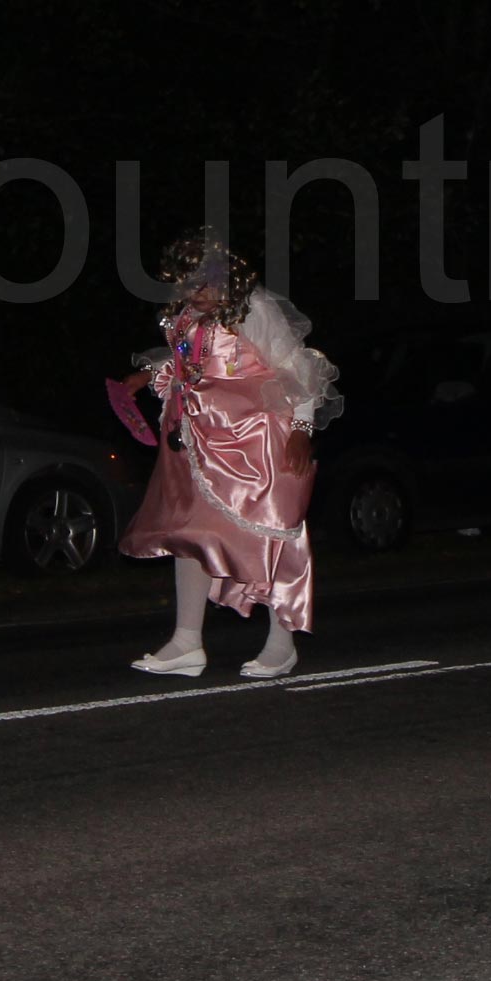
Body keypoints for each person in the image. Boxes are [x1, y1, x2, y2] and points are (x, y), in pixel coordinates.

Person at [116, 228, 339, 680]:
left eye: (205, 283)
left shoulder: (252, 309)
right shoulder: (186, 315)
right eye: (187, 284)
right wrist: (149, 376)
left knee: (270, 534)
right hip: (197, 441)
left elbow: (299, 367)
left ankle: (281, 643)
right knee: (189, 533)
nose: (197, 293)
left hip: (253, 442)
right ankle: (186, 641)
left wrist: (300, 429)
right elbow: (191, 362)